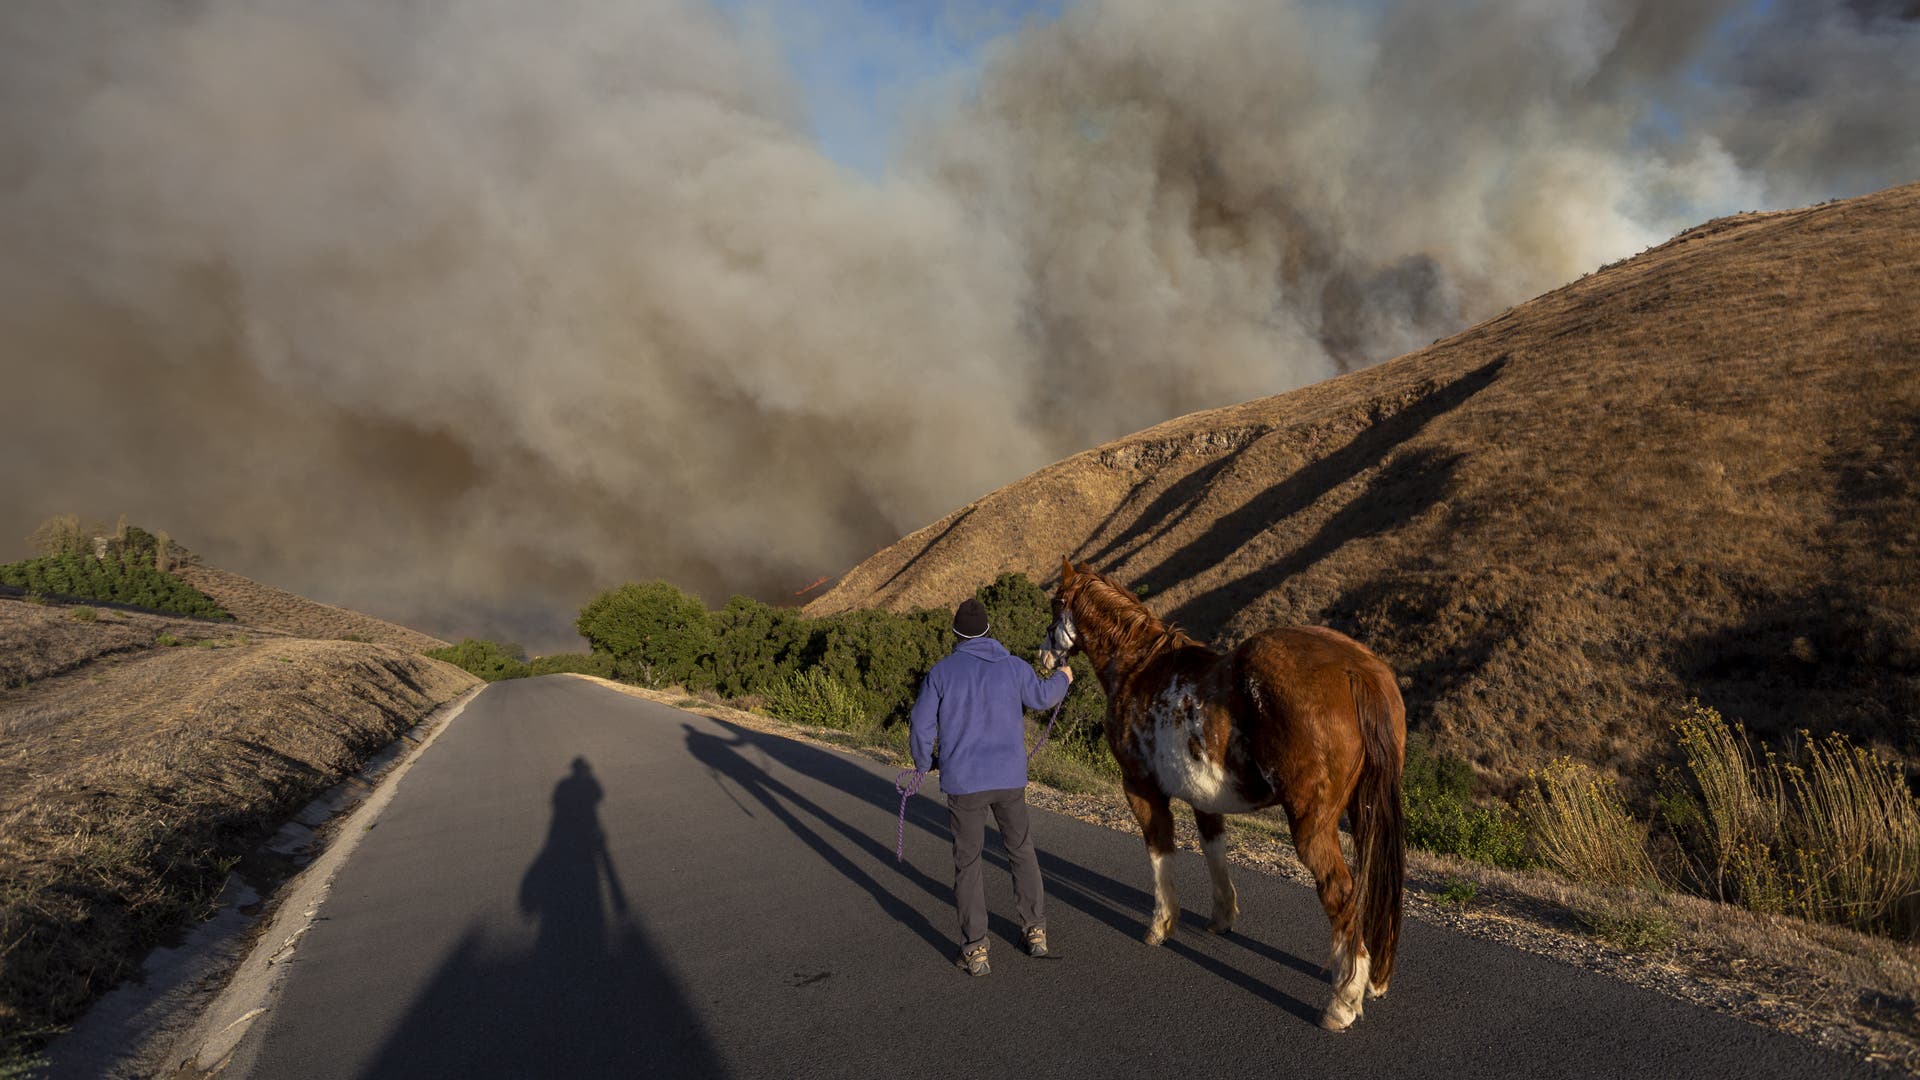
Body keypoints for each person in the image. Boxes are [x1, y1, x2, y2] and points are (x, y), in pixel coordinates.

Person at [909, 596, 1073, 976]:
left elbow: (920, 727)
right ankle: (1036, 933)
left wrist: (923, 763)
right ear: (987, 631)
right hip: (1009, 779)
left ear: (957, 635)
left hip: (964, 784)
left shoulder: (941, 672)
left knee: (968, 862)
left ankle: (976, 950)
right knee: (1020, 851)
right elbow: (1043, 697)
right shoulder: (1013, 667)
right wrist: (1063, 678)